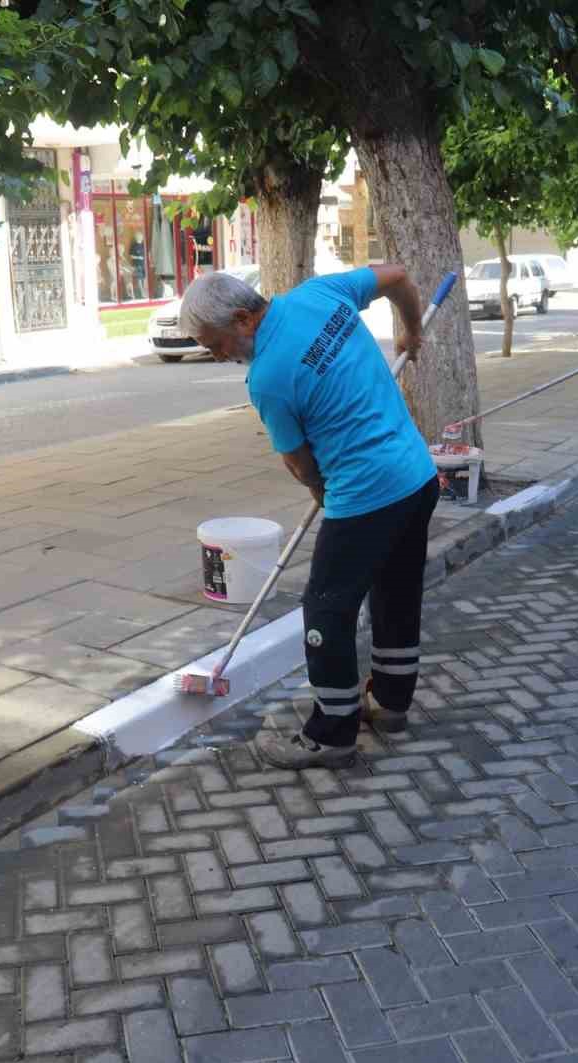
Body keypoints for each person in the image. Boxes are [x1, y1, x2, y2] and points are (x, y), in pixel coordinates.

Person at [179, 266, 438, 769]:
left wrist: (322, 491)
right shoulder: (321, 293)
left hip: (366, 495)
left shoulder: (269, 377)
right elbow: (401, 276)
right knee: (396, 593)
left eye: (216, 344)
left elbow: (298, 462)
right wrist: (412, 328)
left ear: (242, 319)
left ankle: (332, 732)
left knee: (326, 611)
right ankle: (389, 704)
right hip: (417, 476)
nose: (220, 356)